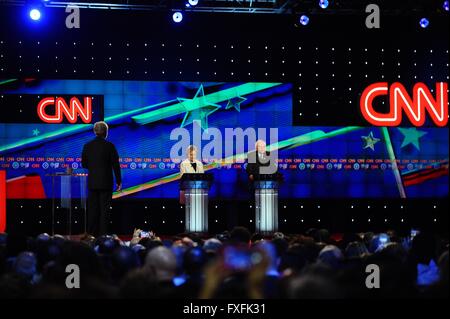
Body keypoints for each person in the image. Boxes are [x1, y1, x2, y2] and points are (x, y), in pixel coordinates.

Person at [82, 121, 122, 237]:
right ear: (106, 132)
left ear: (95, 132)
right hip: (106, 183)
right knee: (104, 211)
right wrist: (118, 181)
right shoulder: (110, 146)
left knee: (93, 210)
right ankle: (103, 236)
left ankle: (91, 235)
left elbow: (84, 164)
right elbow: (116, 165)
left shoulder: (87, 146)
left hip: (93, 182)